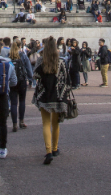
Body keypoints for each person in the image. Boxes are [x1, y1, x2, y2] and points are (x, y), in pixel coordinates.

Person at [33, 36, 72, 165]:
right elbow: (66, 78)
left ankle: (48, 151)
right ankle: (55, 149)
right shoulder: (61, 62)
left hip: (44, 95)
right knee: (55, 123)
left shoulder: (41, 61)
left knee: (45, 123)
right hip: (58, 96)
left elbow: (35, 75)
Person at [9, 39, 34, 131]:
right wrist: (31, 79)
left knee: (13, 102)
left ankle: (14, 124)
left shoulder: (9, 57)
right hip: (22, 80)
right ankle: (21, 121)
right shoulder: (23, 55)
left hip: (12, 81)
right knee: (22, 101)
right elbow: (28, 68)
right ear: (20, 46)